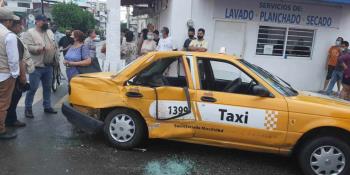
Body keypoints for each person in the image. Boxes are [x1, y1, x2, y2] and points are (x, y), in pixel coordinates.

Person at [22, 14, 58, 118]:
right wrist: (39, 48)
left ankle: (47, 106)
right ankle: (28, 109)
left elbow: (55, 45)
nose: (46, 22)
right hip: (36, 66)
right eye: (43, 21)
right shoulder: (29, 33)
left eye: (46, 21)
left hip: (49, 65)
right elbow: (27, 46)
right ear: (37, 21)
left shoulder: (49, 32)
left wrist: (56, 58)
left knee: (47, 88)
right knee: (32, 88)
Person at [6, 17, 31, 128]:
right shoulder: (13, 38)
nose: (21, 27)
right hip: (12, 75)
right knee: (14, 98)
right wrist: (23, 78)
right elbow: (18, 60)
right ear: (13, 25)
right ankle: (11, 120)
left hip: (6, 73)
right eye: (20, 25)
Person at [0, 8, 20, 139]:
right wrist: (15, 74)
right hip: (5, 75)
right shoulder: (9, 35)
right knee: (2, 104)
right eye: (11, 20)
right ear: (7, 21)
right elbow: (13, 59)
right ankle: (1, 130)